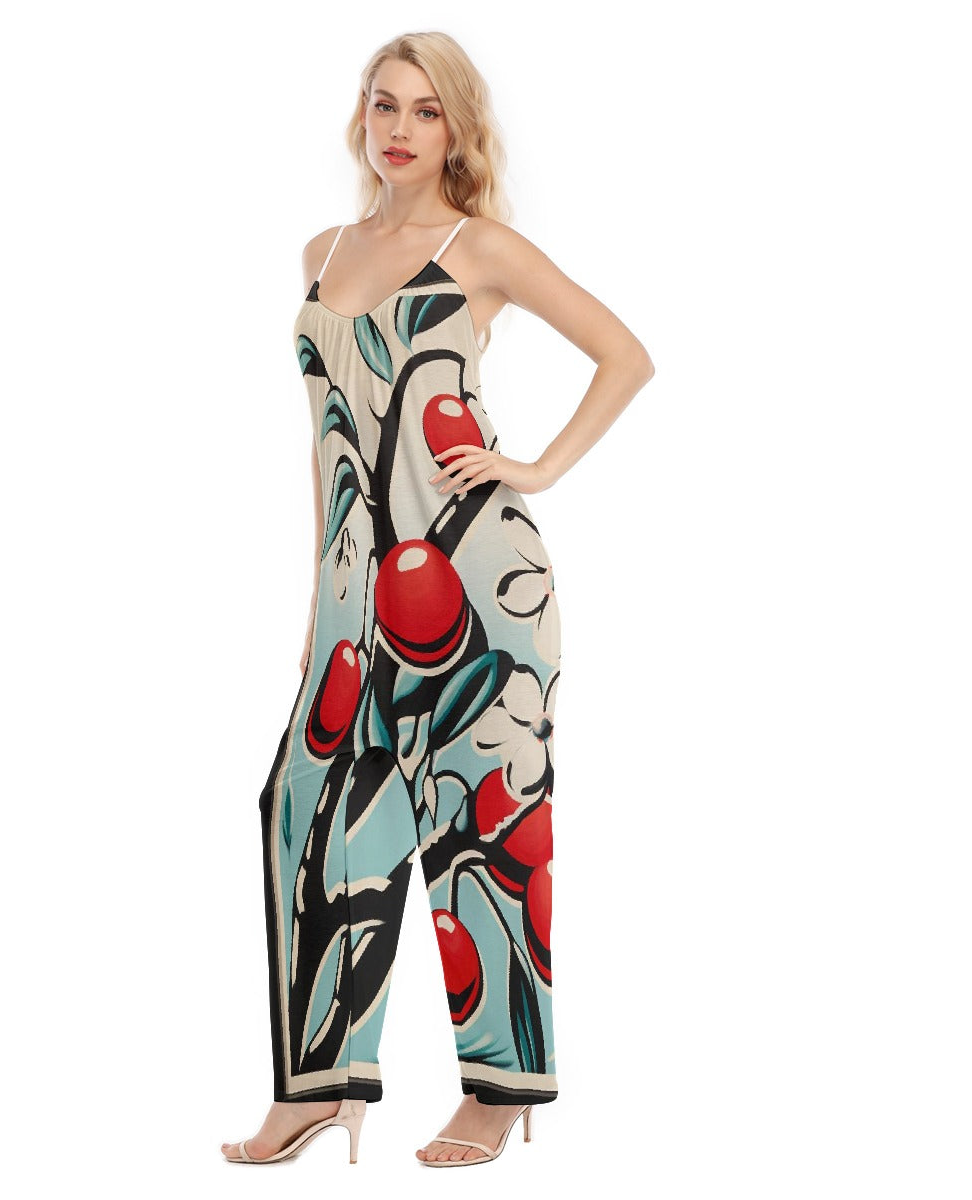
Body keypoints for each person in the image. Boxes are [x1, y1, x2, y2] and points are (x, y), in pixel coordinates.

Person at [221, 30, 654, 1168]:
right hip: (355, 596)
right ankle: (320, 1087)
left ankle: (500, 1092)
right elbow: (327, 442)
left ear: (457, 128)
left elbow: (624, 355)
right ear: (361, 116)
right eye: (384, 105)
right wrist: (323, 599)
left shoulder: (480, 247)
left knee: (482, 829)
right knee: (309, 807)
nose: (400, 128)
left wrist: (534, 468)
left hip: (479, 580)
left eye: (425, 110)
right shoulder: (320, 251)